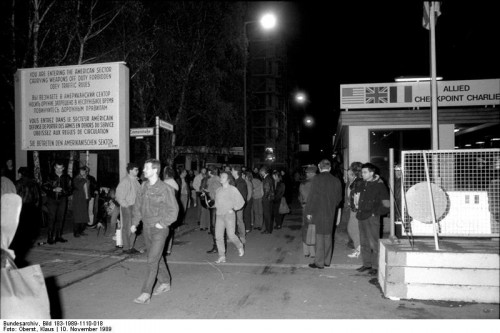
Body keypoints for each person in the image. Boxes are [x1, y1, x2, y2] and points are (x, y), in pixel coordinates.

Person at [130, 159, 179, 304]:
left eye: (146, 168)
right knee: (156, 257)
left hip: (159, 229)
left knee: (152, 259)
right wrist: (135, 222)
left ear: (155, 170)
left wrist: (162, 223)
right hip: (146, 227)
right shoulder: (143, 186)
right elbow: (138, 206)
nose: (143, 170)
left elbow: (174, 211)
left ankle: (146, 293)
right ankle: (165, 282)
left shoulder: (165, 189)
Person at [304, 159, 342, 269]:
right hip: (330, 211)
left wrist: (308, 212)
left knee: (319, 236)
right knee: (328, 235)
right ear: (329, 168)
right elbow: (339, 198)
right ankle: (326, 261)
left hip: (318, 211)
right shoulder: (336, 180)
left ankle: (319, 262)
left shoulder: (316, 179)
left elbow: (311, 197)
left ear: (319, 168)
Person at [353, 163, 390, 277]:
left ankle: (375, 266)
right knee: (364, 242)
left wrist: (375, 213)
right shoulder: (363, 183)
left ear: (372, 173)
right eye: (362, 172)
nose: (362, 174)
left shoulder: (379, 185)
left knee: (373, 242)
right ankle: (367, 264)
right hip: (362, 216)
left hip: (372, 217)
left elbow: (387, 204)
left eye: (365, 172)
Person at [11, 167, 41, 265]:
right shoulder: (34, 183)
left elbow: (14, 197)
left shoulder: (17, 183)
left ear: (20, 174)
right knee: (29, 228)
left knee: (20, 228)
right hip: (31, 208)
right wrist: (36, 209)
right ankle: (27, 243)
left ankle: (19, 245)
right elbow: (37, 198)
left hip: (20, 208)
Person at [213, 171, 245, 264]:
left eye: (223, 177)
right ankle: (222, 256)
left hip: (229, 215)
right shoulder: (218, 190)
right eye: (220, 176)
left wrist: (234, 209)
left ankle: (239, 246)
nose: (221, 178)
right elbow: (216, 203)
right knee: (218, 236)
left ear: (228, 179)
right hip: (219, 215)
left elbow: (241, 201)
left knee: (231, 235)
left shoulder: (233, 189)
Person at [42, 160, 72, 244]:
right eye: (57, 168)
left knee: (61, 218)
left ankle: (58, 236)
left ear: (63, 168)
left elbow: (70, 189)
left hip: (62, 200)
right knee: (51, 218)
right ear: (54, 167)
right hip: (52, 199)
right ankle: (50, 237)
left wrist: (63, 191)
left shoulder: (67, 177)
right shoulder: (49, 176)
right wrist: (53, 189)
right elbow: (43, 186)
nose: (59, 170)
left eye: (60, 168)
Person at [115, 163, 141, 254]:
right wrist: (125, 205)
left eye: (137, 170)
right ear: (130, 170)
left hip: (135, 206)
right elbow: (119, 195)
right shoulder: (125, 181)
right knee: (127, 227)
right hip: (128, 206)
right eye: (136, 170)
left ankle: (130, 246)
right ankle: (126, 248)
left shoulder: (136, 181)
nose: (138, 171)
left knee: (134, 227)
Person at [346, 162, 364, 258]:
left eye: (351, 173)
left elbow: (357, 196)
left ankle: (358, 249)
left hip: (356, 209)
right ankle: (358, 248)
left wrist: (356, 206)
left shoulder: (358, 182)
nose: (349, 176)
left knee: (353, 229)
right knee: (353, 229)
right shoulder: (355, 182)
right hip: (354, 208)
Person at [299, 165, 317, 258]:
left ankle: (306, 251)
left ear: (311, 173)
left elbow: (300, 197)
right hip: (315, 207)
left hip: (305, 207)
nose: (306, 174)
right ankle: (313, 252)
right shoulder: (318, 183)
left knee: (305, 228)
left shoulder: (303, 184)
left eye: (307, 173)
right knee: (313, 228)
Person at [163, 166, 180, 256]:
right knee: (170, 229)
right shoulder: (174, 182)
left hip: (167, 208)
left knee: (166, 229)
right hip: (172, 208)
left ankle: (165, 248)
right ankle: (168, 249)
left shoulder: (167, 183)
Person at [205, 167, 221, 254]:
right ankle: (217, 246)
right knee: (214, 227)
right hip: (214, 205)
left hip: (215, 206)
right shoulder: (214, 180)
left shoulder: (214, 181)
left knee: (214, 227)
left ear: (210, 172)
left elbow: (217, 193)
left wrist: (211, 198)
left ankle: (217, 246)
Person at [231, 166, 248, 244]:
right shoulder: (236, 181)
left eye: (232, 170)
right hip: (235, 204)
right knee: (235, 221)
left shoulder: (240, 182)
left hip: (238, 205)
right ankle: (235, 237)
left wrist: (238, 205)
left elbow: (241, 195)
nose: (231, 172)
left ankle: (242, 237)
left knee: (239, 221)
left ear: (235, 171)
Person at [72, 166, 91, 238]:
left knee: (84, 216)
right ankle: (76, 232)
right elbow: (78, 186)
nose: (84, 172)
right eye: (82, 171)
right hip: (78, 199)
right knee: (78, 216)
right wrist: (83, 179)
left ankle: (81, 230)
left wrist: (88, 197)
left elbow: (87, 189)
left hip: (85, 199)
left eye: (85, 171)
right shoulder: (77, 179)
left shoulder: (87, 179)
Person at [260, 166, 275, 234]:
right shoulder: (269, 177)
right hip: (270, 198)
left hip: (267, 199)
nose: (260, 173)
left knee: (267, 215)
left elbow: (267, 190)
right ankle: (268, 229)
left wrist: (263, 198)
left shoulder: (267, 179)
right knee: (268, 214)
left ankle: (268, 230)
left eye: (261, 171)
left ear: (264, 172)